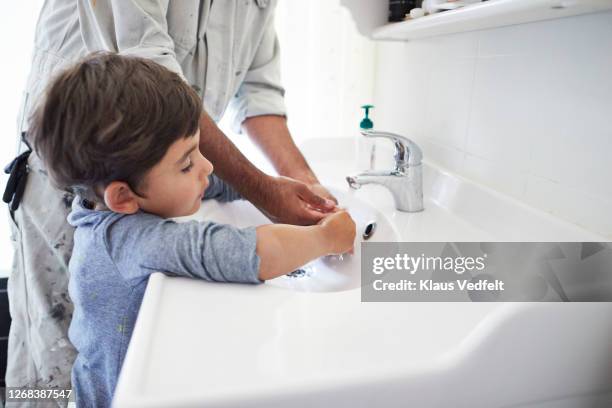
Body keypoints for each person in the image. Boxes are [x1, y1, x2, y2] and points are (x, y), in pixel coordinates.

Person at [5, 0, 337, 403]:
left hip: (158, 168)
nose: (208, 168)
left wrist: (296, 181)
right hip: (76, 178)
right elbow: (245, 252)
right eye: (194, 164)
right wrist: (326, 237)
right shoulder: (132, 239)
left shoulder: (149, 195)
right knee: (50, 360)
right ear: (124, 198)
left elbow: (258, 94)